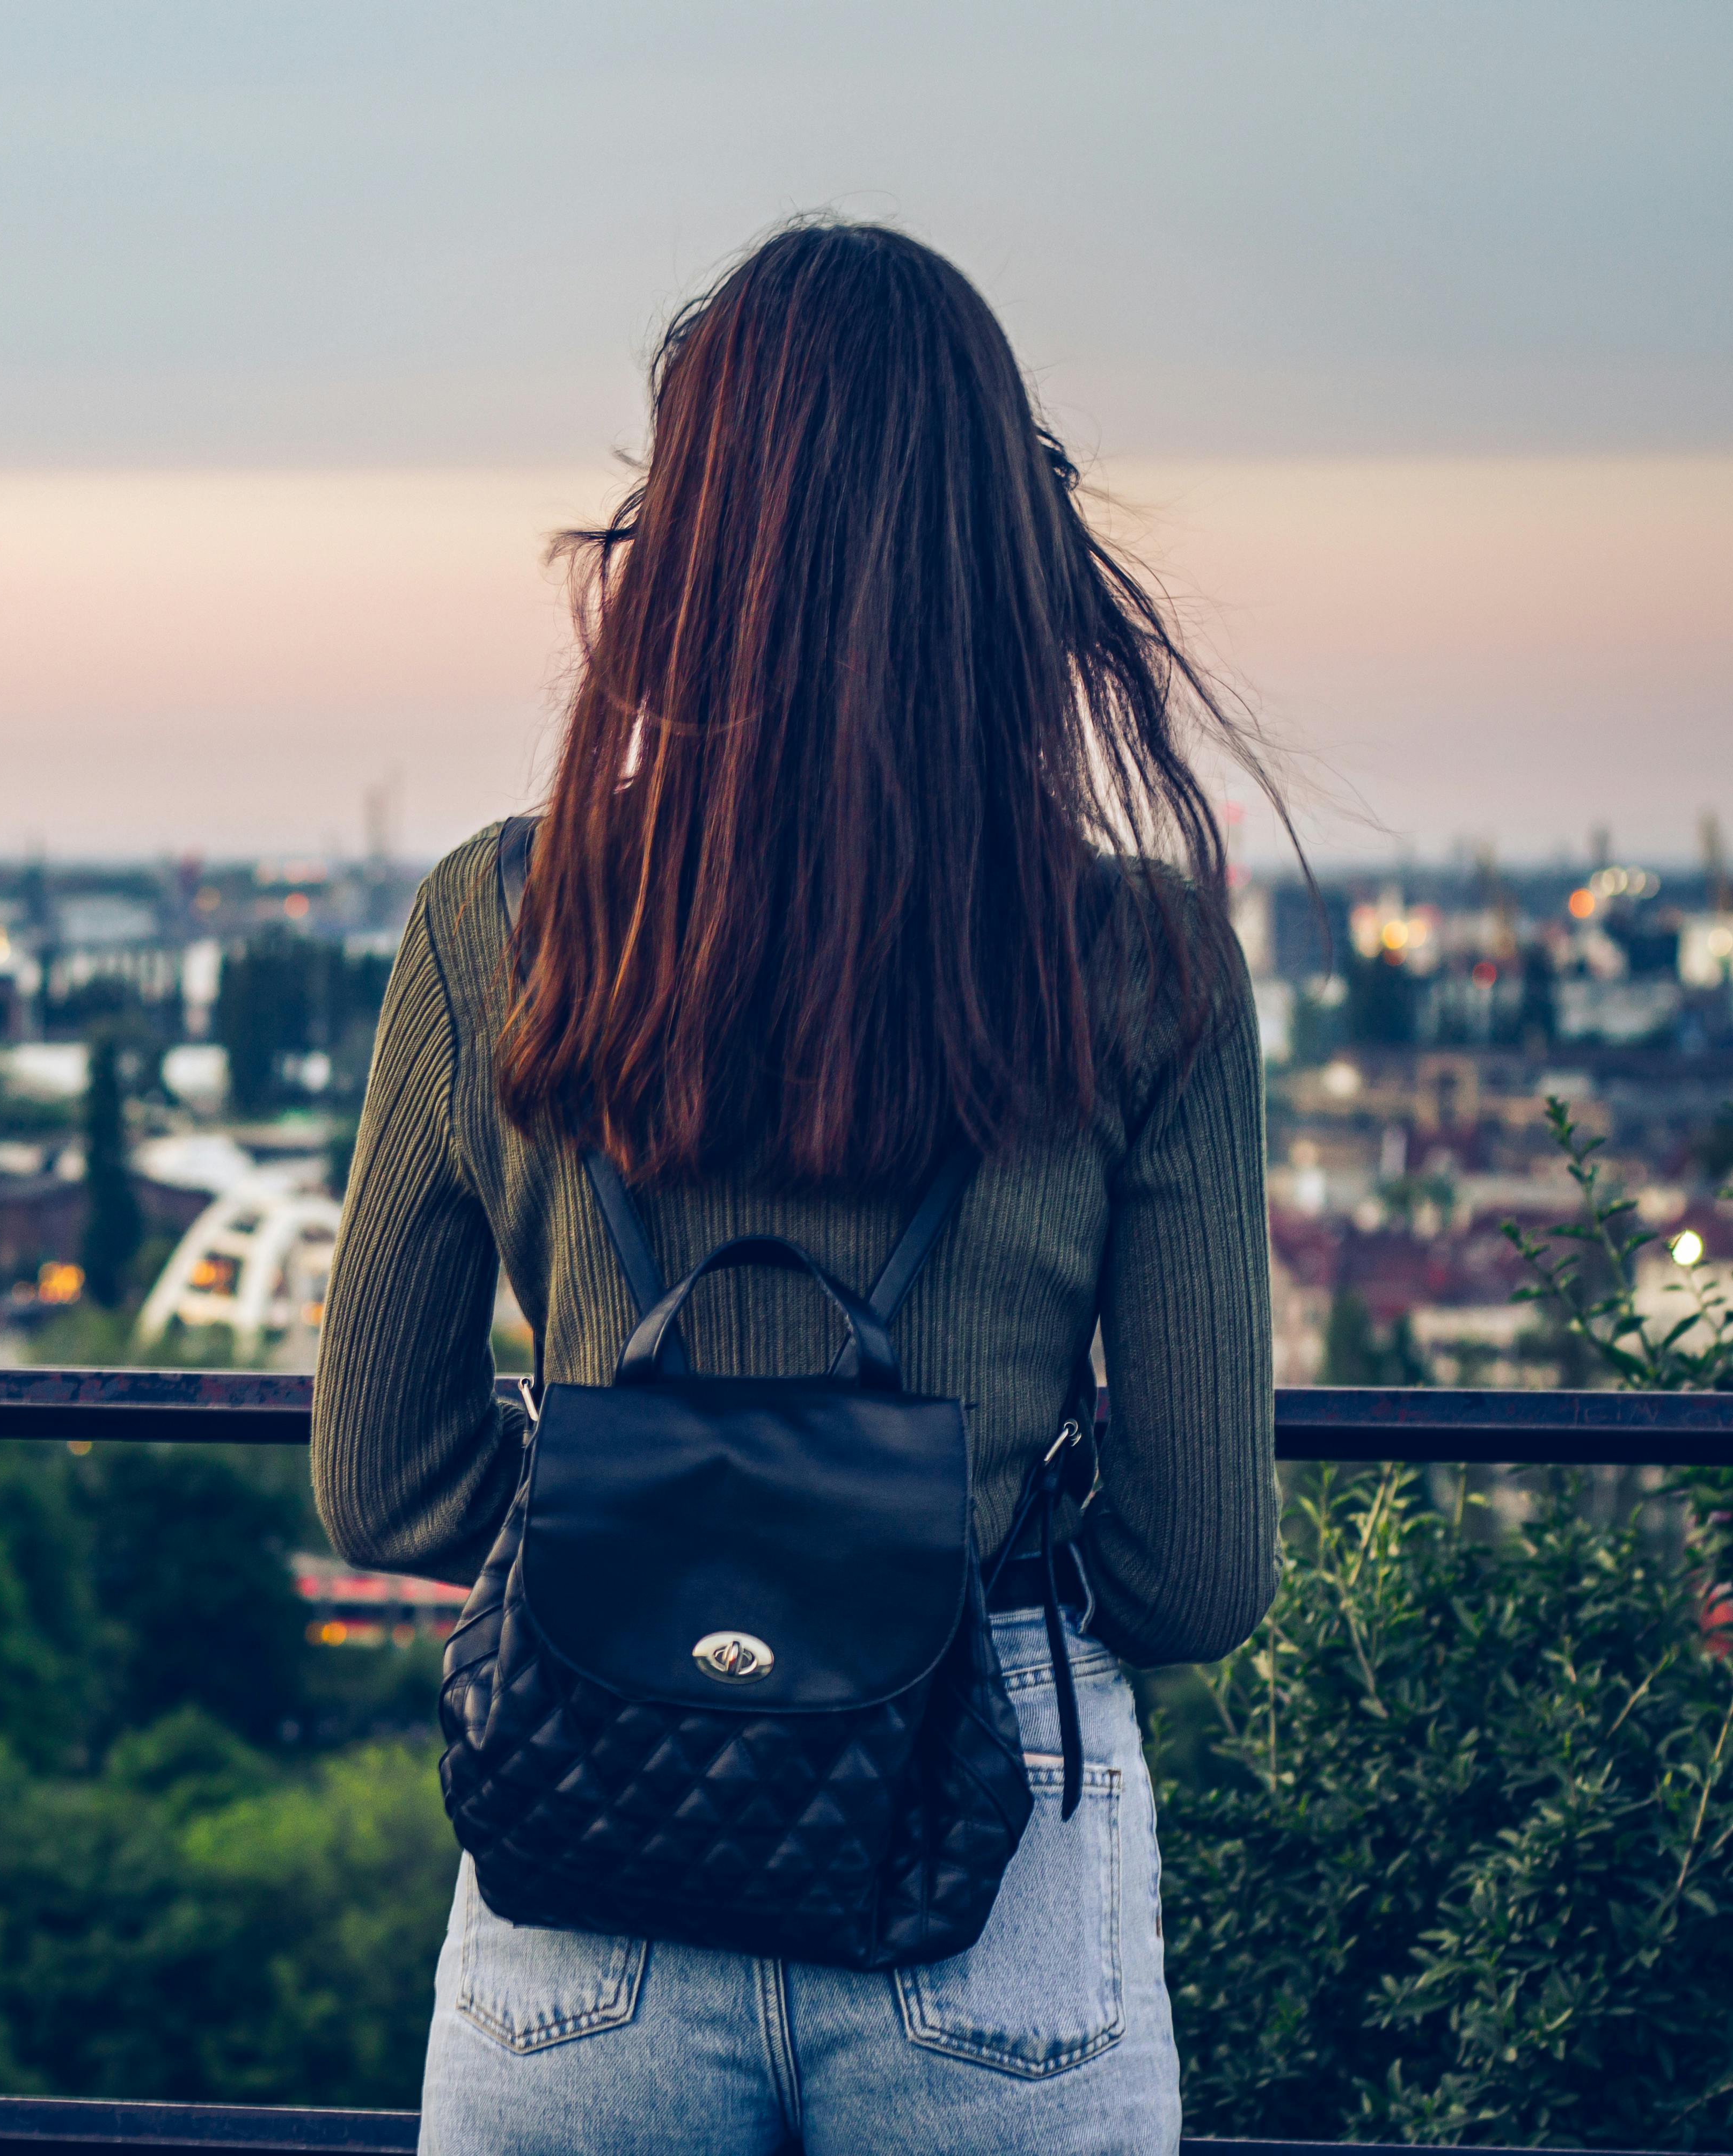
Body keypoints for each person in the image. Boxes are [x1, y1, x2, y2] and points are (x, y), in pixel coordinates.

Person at [312, 219, 1285, 2155]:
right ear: (1011, 557)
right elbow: (1195, 1568)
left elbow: (386, 1478)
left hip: (594, 1841)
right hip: (989, 1834)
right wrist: (911, 1536)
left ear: (675, 556)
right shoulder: (1142, 958)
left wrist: (668, 1522)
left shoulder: (497, 919)